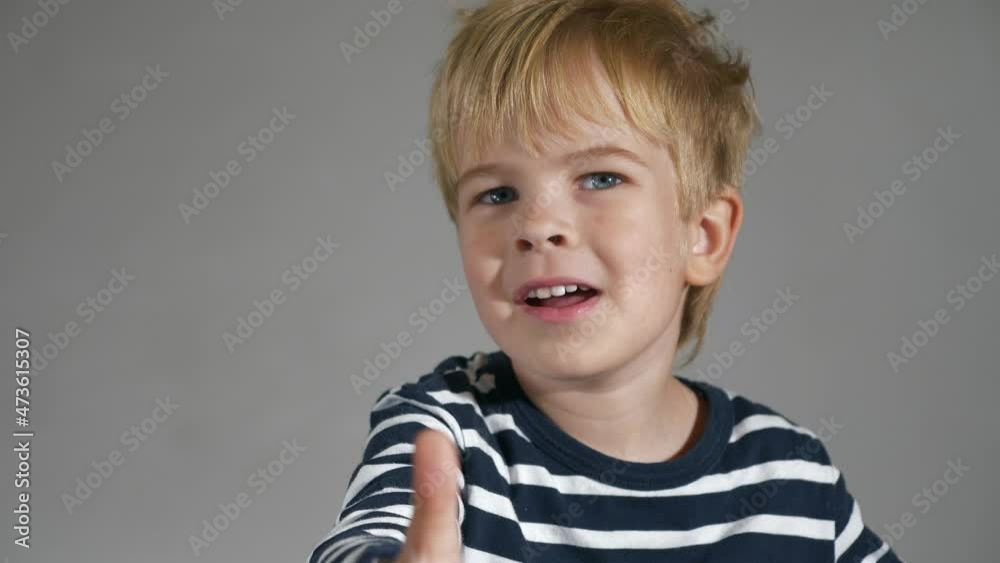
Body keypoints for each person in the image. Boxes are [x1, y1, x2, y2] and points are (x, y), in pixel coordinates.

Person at [310, 0, 903, 561]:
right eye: (497, 193)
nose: (538, 225)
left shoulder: (792, 478)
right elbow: (368, 537)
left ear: (703, 235)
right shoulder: (443, 428)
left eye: (599, 178)